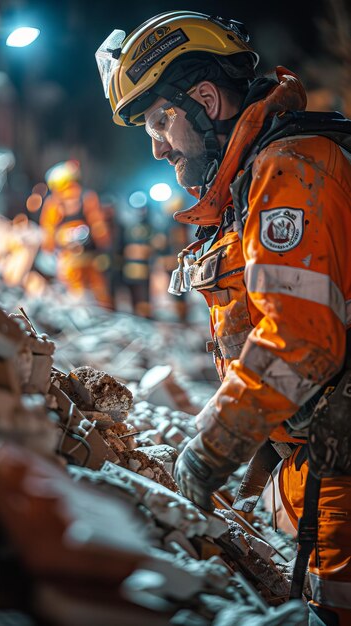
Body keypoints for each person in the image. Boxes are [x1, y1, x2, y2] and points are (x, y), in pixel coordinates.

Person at [96, 11, 351, 625]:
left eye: (161, 121)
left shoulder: (290, 169)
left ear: (206, 101)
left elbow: (299, 340)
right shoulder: (255, 179)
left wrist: (210, 449)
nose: (157, 147)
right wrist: (265, 448)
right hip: (320, 465)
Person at [40, 159, 113, 308]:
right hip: (79, 259)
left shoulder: (58, 203)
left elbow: (48, 233)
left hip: (77, 259)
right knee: (94, 293)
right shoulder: (79, 199)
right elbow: (100, 229)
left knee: (83, 294)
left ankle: (91, 315)